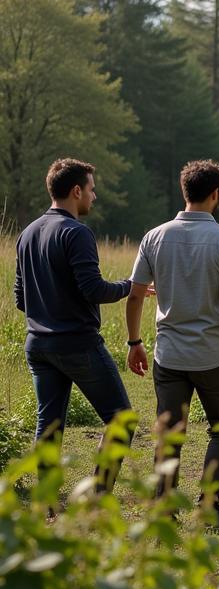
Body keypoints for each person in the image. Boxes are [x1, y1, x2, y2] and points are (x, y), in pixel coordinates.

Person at [125, 160, 219, 528]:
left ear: (186, 191)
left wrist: (134, 341)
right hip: (213, 354)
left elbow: (135, 296)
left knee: (169, 431)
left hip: (169, 355)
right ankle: (209, 507)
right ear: (216, 195)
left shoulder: (154, 236)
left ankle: (164, 507)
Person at [13, 158, 139, 490]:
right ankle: (99, 496)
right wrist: (131, 286)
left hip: (37, 346)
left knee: (48, 427)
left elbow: (20, 299)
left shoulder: (27, 234)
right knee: (121, 420)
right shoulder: (76, 233)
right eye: (92, 190)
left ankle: (47, 503)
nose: (94, 198)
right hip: (78, 344)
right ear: (76, 190)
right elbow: (94, 289)